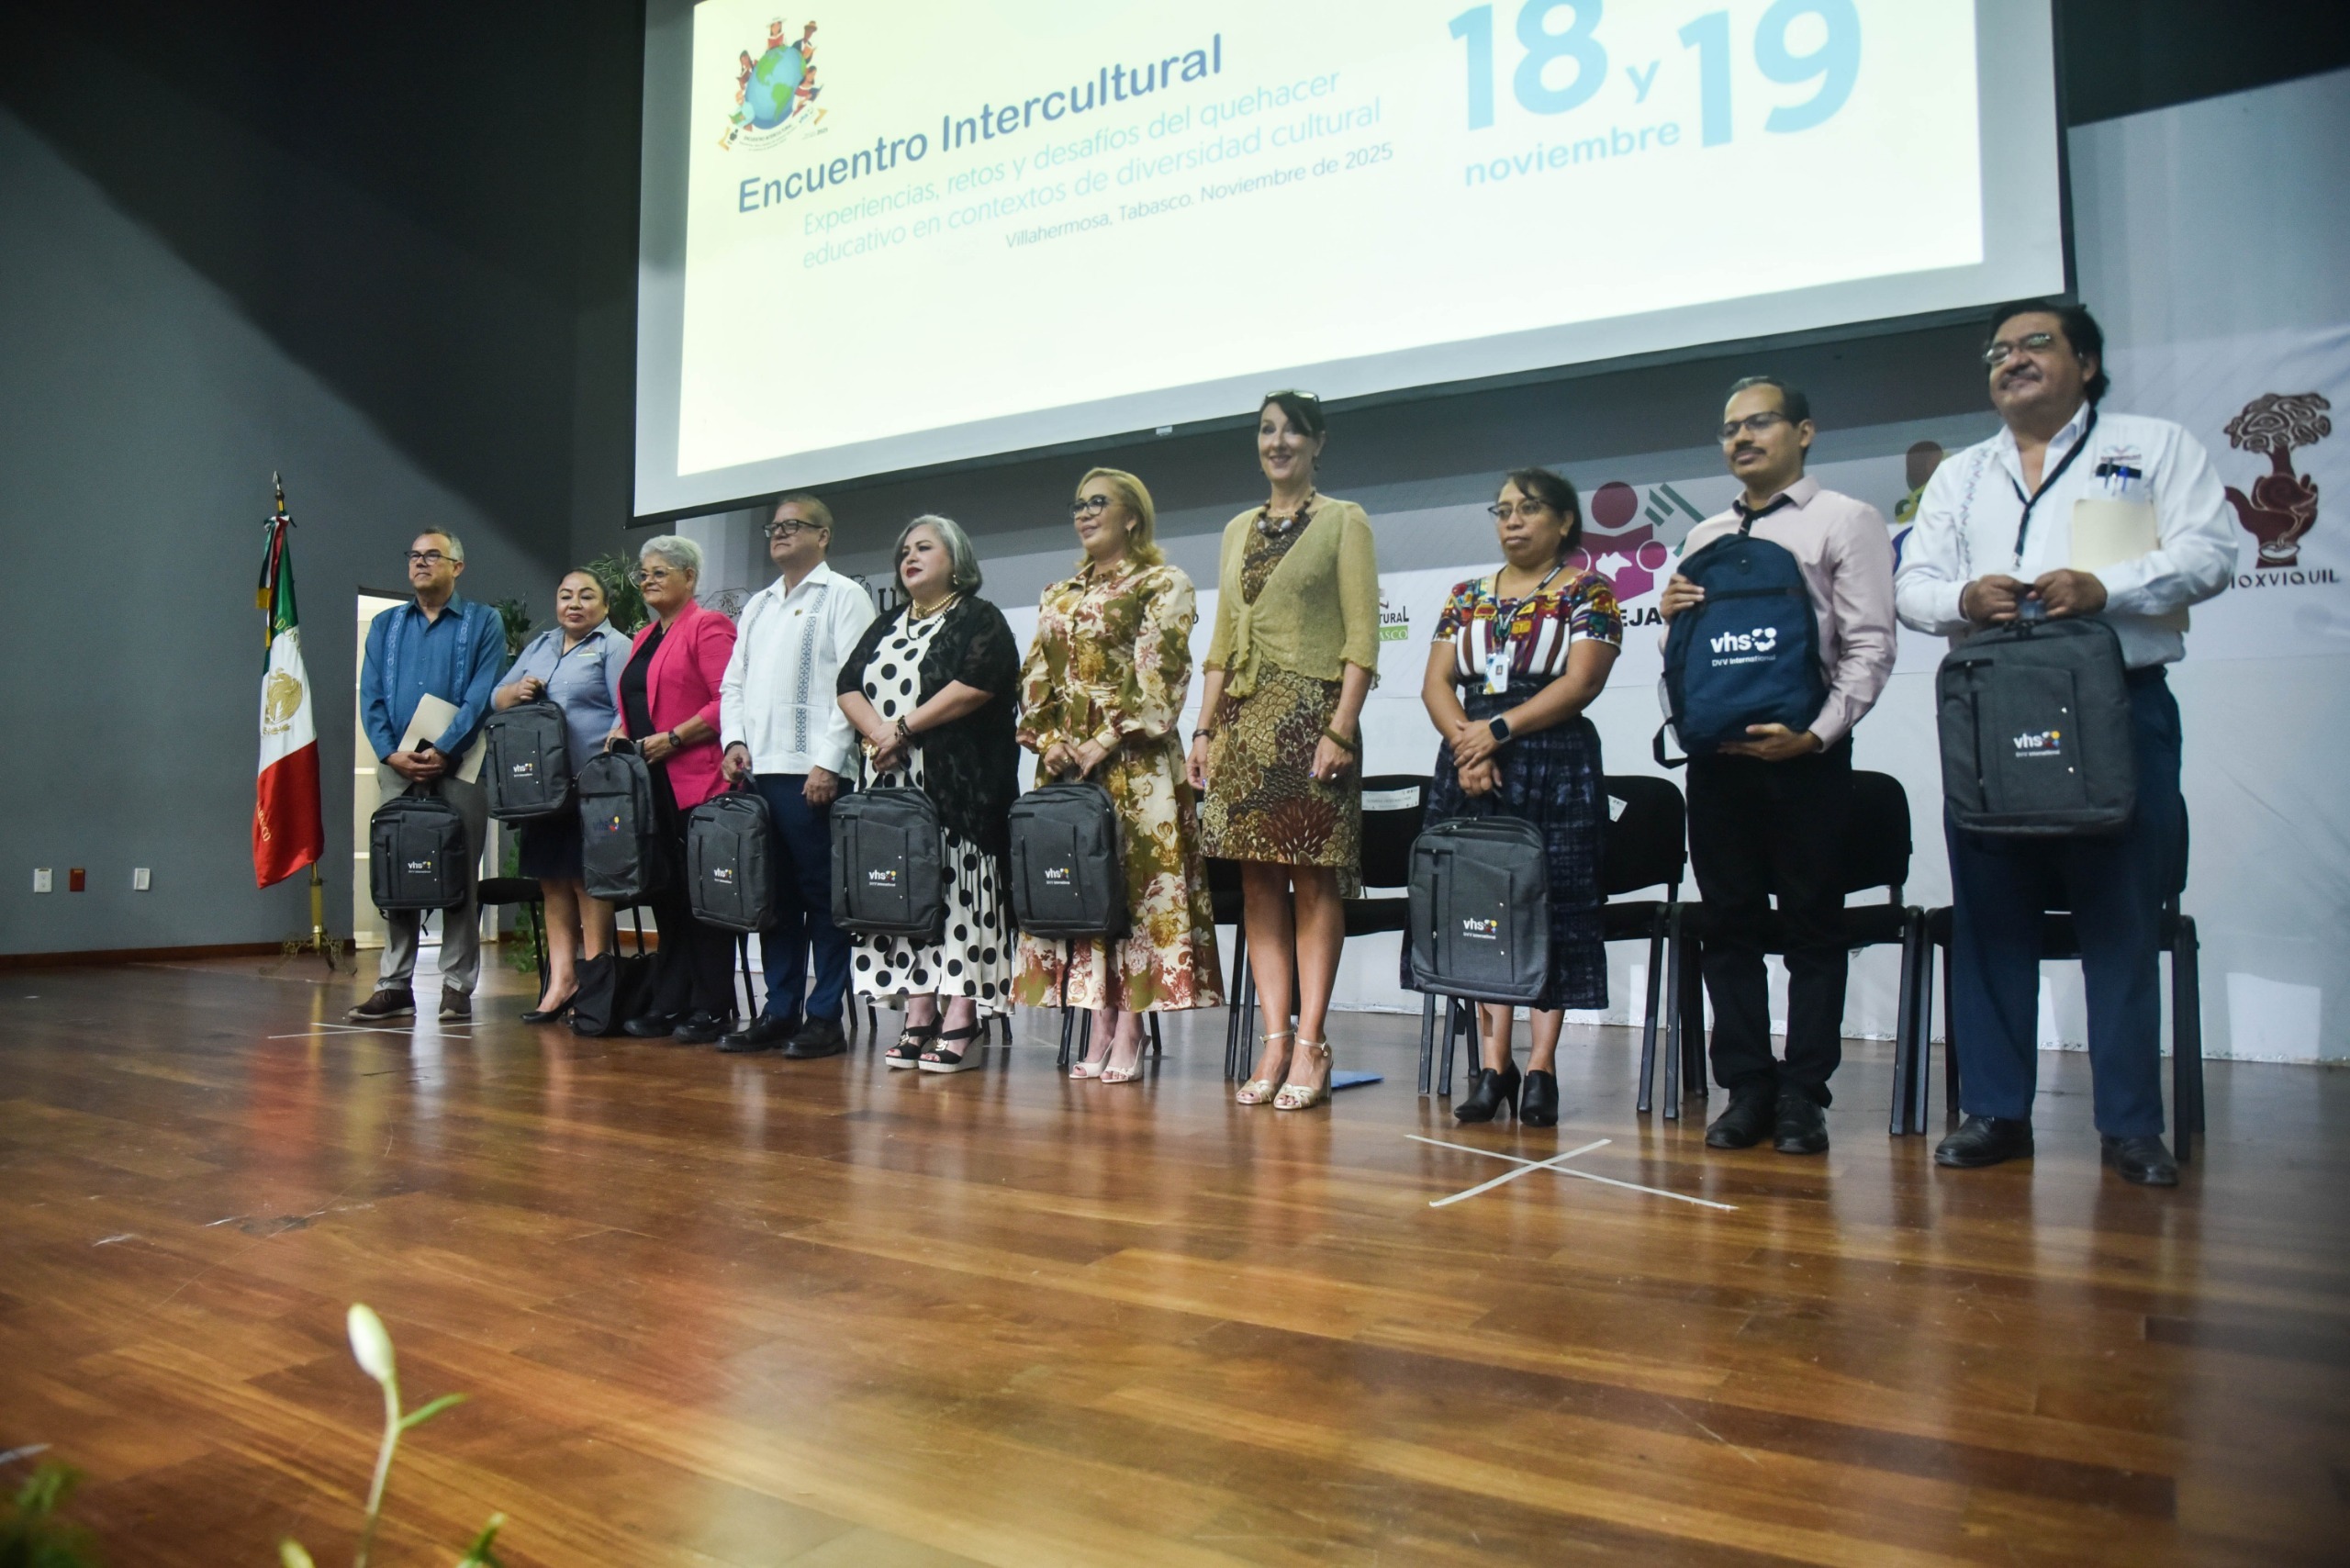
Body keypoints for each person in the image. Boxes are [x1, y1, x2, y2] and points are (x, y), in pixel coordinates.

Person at [1897, 299, 2235, 1187]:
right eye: (1998, 352)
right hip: (1990, 711)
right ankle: (1995, 1111)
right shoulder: (1962, 474)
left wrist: (2106, 585)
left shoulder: (2153, 445)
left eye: (2034, 344)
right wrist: (1964, 600)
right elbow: (1914, 587)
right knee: (1991, 914)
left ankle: (2130, 1126)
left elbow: (2212, 553)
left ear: (2086, 361)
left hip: (2115, 705)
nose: (2012, 360)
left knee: (2120, 915)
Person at [1660, 376, 1897, 1157]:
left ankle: (1804, 1093)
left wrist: (1819, 736)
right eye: (1729, 428)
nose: (1742, 438)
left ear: (1805, 431)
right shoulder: (1701, 538)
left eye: (1760, 423)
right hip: (1719, 764)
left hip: (1805, 762)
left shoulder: (1847, 520)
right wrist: (1669, 622)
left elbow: (1869, 647)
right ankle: (1747, 1087)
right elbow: (1687, 659)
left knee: (1811, 928)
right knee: (1727, 928)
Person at [1412, 469, 1623, 1126]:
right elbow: (1436, 683)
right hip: (1470, 758)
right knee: (1480, 911)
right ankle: (1493, 1065)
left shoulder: (1589, 590)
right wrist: (1466, 747)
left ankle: (1541, 1068)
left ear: (1564, 521)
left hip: (1550, 756)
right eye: (1502, 510)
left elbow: (1583, 680)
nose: (1512, 520)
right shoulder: (1465, 595)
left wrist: (1497, 732)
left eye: (1528, 509)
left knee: (1548, 906)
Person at [1189, 392, 1381, 1112]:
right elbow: (1218, 643)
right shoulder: (1238, 527)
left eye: (1291, 431)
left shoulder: (1343, 522)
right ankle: (1273, 1039)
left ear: (1317, 443)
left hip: (1311, 719)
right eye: (1266, 430)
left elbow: (1362, 637)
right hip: (1241, 722)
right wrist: (1204, 730)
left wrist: (1341, 727)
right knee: (1259, 885)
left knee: (1312, 880)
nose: (1277, 442)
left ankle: (1313, 1044)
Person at [1013, 469, 1224, 1081]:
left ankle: (1129, 1024)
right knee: (1079, 891)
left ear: (1133, 515)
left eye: (1098, 503)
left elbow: (1160, 676)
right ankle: (1096, 1019)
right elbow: (1035, 679)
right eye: (1078, 505)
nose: (1084, 513)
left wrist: (1099, 740)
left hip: (1134, 764)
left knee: (1131, 894)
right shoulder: (1058, 592)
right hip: (1066, 773)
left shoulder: (1166, 582)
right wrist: (1050, 740)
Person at [837, 516, 1022, 1072]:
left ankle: (963, 1016)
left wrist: (903, 729)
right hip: (891, 792)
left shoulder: (978, 617)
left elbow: (977, 684)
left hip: (959, 793)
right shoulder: (888, 622)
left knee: (959, 901)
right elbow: (847, 683)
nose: (909, 557)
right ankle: (919, 1014)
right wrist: (878, 735)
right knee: (905, 900)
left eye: (924, 548)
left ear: (957, 559)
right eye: (904, 551)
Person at [716, 494, 876, 1058]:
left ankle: (825, 1015)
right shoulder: (758, 604)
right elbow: (733, 682)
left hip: (814, 773)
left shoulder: (844, 595)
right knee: (773, 898)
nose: (779, 535)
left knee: (824, 896)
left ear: (824, 535)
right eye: (773, 528)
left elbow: (854, 683)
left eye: (792, 527)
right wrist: (734, 740)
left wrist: (830, 761)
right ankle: (778, 1009)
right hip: (759, 773)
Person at [348, 529, 507, 1024]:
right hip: (398, 766)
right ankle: (395, 986)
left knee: (458, 871)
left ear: (456, 566)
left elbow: (483, 693)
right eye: (414, 556)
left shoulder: (484, 621)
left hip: (460, 765)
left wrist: (444, 748)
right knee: (398, 867)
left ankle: (456, 986)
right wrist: (389, 752)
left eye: (431, 556)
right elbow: (369, 693)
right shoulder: (386, 624)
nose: (420, 563)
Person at [615, 535, 743, 1045]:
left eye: (660, 572)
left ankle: (711, 1006)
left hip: (700, 781)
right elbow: (635, 703)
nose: (647, 580)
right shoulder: (644, 637)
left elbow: (726, 701)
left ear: (689, 577)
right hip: (649, 787)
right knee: (666, 895)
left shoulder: (708, 626)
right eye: (643, 573)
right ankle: (670, 1001)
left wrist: (673, 739)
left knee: (703, 898)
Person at [490, 569, 631, 1022]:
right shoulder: (541, 644)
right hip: (541, 788)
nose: (575, 603)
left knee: (587, 881)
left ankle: (595, 983)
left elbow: (626, 712)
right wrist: (517, 690)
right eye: (566, 595)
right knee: (552, 880)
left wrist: (614, 748)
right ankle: (562, 980)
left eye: (586, 596)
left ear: (605, 606)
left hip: (590, 787)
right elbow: (497, 698)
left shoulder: (614, 646)